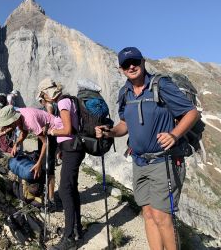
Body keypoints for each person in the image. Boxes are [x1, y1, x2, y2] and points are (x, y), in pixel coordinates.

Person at [95, 47, 199, 250]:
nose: (131, 66)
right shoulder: (125, 93)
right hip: (139, 162)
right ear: (121, 69)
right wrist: (109, 132)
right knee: (148, 213)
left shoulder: (161, 85)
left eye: (134, 62)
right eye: (126, 64)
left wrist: (174, 134)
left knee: (162, 216)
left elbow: (191, 113)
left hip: (164, 160)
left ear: (143, 62)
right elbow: (125, 125)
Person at [37, 77, 85, 250]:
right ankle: (77, 229)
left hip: (72, 149)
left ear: (48, 92)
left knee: (65, 189)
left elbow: (67, 129)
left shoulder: (63, 102)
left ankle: (69, 237)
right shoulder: (67, 100)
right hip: (71, 149)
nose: (43, 97)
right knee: (71, 188)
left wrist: (51, 131)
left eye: (43, 94)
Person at [0, 105, 56, 182]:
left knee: (48, 165)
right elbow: (24, 132)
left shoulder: (29, 121)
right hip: (43, 129)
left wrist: (39, 163)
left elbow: (45, 143)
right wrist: (16, 144)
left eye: (8, 125)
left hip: (54, 129)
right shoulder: (19, 116)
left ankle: (50, 191)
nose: (8, 127)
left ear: (13, 120)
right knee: (40, 159)